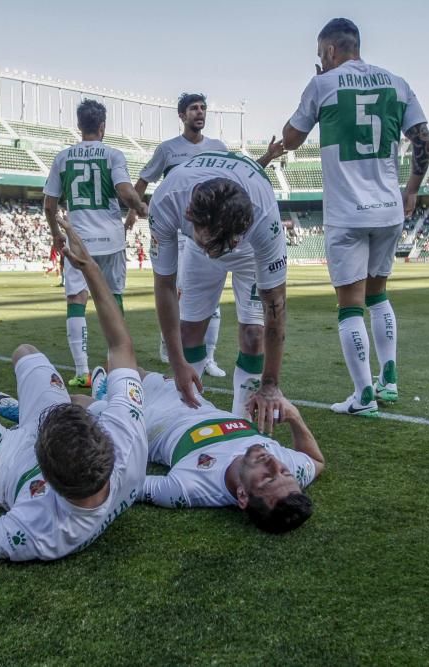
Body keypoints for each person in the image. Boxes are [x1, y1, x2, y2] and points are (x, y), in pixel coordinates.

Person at [0, 216, 147, 561]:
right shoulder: (127, 437)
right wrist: (91, 269)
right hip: (51, 437)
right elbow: (121, 347)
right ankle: (25, 411)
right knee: (26, 353)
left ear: (44, 472)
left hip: (6, 463)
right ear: (103, 436)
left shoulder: (39, 531)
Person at [274, 18, 429, 417]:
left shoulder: (322, 84)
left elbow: (291, 138)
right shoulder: (398, 82)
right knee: (379, 297)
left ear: (329, 51)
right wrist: (411, 188)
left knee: (349, 306)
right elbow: (424, 140)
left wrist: (318, 83)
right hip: (388, 209)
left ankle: (363, 397)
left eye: (319, 55)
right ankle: (389, 380)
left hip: (347, 213)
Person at [149, 151, 288, 435]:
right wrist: (177, 364)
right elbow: (164, 286)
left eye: (230, 241)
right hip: (198, 250)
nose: (225, 250)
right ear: (191, 218)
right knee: (189, 331)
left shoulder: (264, 220)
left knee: (254, 334)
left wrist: (271, 383)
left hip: (249, 252)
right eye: (214, 241)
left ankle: (242, 423)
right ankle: (184, 415)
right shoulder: (166, 201)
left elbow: (275, 304)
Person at [42, 99, 147, 388]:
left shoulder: (63, 157)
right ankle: (118, 367)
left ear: (79, 125)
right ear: (102, 126)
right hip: (111, 240)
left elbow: (50, 205)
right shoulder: (113, 154)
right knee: (114, 298)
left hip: (79, 241)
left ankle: (81, 371)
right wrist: (140, 206)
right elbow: (125, 191)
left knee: (76, 300)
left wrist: (56, 234)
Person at [139, 373, 323, 533]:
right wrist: (294, 417)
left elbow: (127, 486)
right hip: (194, 401)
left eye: (267, 478)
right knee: (135, 370)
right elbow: (316, 460)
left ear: (242, 495)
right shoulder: (291, 474)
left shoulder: (188, 488)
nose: (274, 462)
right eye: (284, 472)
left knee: (123, 368)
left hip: (147, 418)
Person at [127, 93, 230, 377]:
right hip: (178, 233)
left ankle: (208, 357)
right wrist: (135, 210)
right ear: (182, 116)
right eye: (193, 109)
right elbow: (144, 178)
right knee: (179, 292)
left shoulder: (218, 148)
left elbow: (235, 178)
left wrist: (268, 157)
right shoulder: (168, 150)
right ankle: (172, 344)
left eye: (203, 108)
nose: (200, 113)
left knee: (213, 298)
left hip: (208, 232)